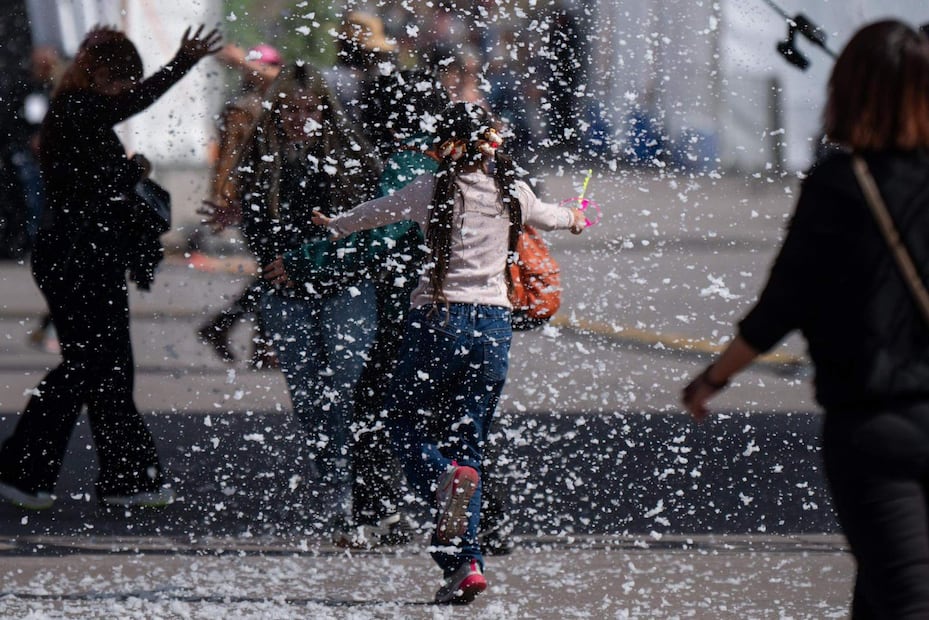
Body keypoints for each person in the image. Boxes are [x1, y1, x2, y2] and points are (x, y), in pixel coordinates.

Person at [267, 101, 586, 604]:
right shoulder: (514, 191)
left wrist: (333, 223)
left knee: (402, 422)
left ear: (448, 146)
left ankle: (443, 488)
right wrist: (578, 216)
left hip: (437, 320)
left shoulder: (430, 188)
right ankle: (466, 564)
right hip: (494, 328)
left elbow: (374, 217)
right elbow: (559, 218)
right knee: (468, 445)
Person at [682, 20, 929, 619]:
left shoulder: (841, 183)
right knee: (885, 590)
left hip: (874, 424)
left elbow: (784, 303)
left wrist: (714, 378)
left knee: (903, 595)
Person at [0, 25, 221, 510]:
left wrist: (131, 172)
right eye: (120, 79)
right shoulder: (78, 109)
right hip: (77, 257)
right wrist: (181, 64)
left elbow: (104, 166)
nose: (125, 89)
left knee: (107, 369)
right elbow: (106, 172)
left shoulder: (78, 111)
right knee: (91, 366)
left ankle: (123, 477)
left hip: (85, 256)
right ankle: (25, 470)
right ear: (98, 75)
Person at [237, 63, 383, 531]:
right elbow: (256, 224)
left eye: (310, 109)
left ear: (325, 108)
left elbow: (368, 223)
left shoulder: (349, 150)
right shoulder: (261, 153)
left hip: (345, 286)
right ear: (276, 112)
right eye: (290, 110)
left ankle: (355, 484)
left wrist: (309, 261)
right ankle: (332, 476)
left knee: (347, 384)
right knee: (307, 392)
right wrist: (279, 264)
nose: (300, 119)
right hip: (285, 291)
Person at [197, 43, 282, 366]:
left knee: (273, 271)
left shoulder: (276, 103)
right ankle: (248, 338)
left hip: (271, 198)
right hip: (254, 202)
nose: (270, 73)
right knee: (274, 271)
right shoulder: (242, 108)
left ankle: (253, 341)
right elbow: (227, 162)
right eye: (266, 67)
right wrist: (222, 200)